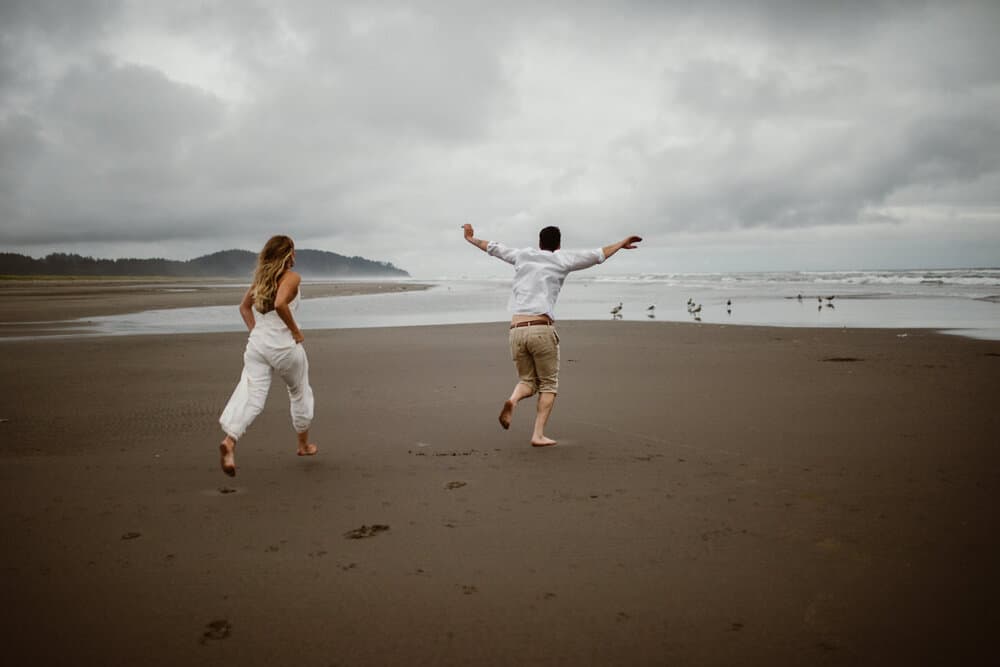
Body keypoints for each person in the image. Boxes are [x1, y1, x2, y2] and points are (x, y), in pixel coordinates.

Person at [463, 223, 642, 447]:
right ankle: (537, 435)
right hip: (540, 328)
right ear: (558, 245)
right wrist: (621, 243)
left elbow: (492, 247)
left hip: (516, 329)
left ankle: (513, 400)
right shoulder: (562, 259)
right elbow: (597, 255)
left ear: (539, 243)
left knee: (527, 380)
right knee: (548, 384)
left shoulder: (522, 256)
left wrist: (470, 238)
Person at [217, 235, 317, 476]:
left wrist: (258, 332)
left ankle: (230, 442)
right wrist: (296, 331)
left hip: (257, 347)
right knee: (299, 391)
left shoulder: (260, 279)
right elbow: (281, 303)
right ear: (287, 254)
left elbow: (243, 308)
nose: (295, 256)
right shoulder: (292, 278)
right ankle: (303, 445)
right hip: (284, 348)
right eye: (293, 251)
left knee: (251, 394)